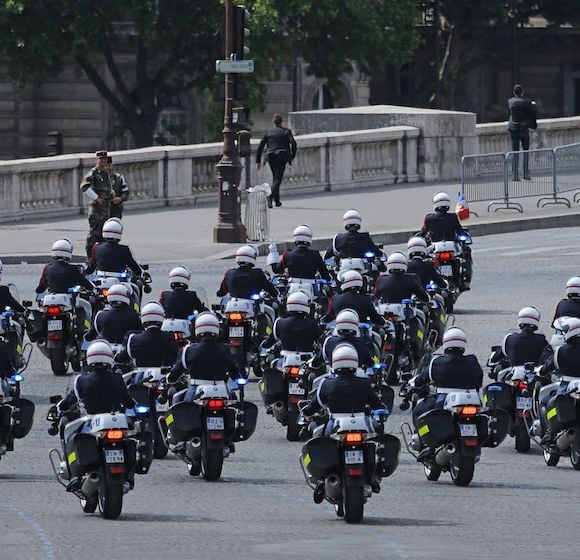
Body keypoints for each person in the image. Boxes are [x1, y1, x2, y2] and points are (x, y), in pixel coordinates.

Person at [411, 328, 483, 427]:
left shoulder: (437, 362)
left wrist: (412, 383)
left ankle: (422, 438)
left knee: (418, 411)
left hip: (443, 400)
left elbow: (421, 380)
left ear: (445, 343)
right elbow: (479, 382)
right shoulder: (473, 360)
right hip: (471, 400)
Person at [168, 312, 239, 402]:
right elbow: (233, 370)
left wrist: (169, 378)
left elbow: (177, 371)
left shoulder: (188, 350)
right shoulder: (225, 349)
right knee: (234, 406)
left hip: (196, 389)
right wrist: (239, 379)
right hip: (221, 389)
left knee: (182, 408)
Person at [58, 341, 135, 415]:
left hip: (92, 422)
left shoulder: (81, 381)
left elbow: (67, 403)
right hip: (114, 421)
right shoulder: (117, 378)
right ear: (109, 357)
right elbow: (129, 403)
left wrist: (61, 406)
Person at [420, 192, 472, 290]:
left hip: (435, 248)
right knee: (466, 254)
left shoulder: (429, 218)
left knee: (424, 260)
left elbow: (423, 231)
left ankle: (424, 281)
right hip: (451, 246)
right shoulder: (453, 217)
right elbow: (459, 230)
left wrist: (418, 236)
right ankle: (466, 280)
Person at [116, 302, 178, 367]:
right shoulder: (170, 337)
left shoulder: (134, 339)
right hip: (163, 374)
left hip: (142, 374)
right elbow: (175, 356)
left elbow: (123, 357)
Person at [256, 114, 297, 208]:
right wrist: (292, 156)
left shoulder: (268, 132)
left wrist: (258, 161)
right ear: (281, 121)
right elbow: (293, 143)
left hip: (270, 156)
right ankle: (270, 196)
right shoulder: (286, 131)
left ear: (273, 122)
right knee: (278, 178)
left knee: (275, 177)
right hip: (282, 156)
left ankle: (277, 201)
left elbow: (261, 146)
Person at [80, 150, 113, 258]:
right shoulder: (93, 173)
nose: (104, 161)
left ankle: (100, 256)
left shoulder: (105, 173)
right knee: (94, 234)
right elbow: (84, 187)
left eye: (105, 159)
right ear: (97, 160)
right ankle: (90, 256)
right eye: (101, 159)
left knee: (103, 234)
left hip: (105, 208)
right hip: (97, 209)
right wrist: (96, 198)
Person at [508, 84, 537, 181]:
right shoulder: (526, 102)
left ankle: (515, 175)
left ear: (513, 92)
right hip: (523, 129)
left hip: (513, 129)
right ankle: (525, 174)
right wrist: (533, 105)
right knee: (525, 151)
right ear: (523, 92)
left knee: (515, 152)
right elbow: (532, 113)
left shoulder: (510, 101)